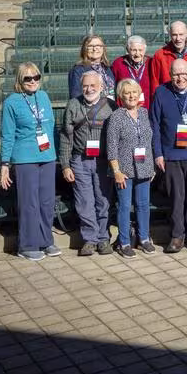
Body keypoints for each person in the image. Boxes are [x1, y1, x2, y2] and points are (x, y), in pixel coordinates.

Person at [151, 58, 187, 254]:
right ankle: (177, 236)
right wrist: (158, 154)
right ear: (170, 74)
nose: (180, 78)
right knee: (176, 198)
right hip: (171, 155)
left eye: (184, 73)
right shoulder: (161, 92)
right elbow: (155, 126)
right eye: (176, 74)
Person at [0, 62, 59, 261]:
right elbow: (7, 135)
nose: (33, 81)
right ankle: (27, 244)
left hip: (47, 156)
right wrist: (5, 165)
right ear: (19, 80)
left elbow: (50, 127)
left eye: (36, 77)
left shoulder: (43, 96)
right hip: (25, 157)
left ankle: (45, 240)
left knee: (47, 202)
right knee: (29, 203)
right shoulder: (11, 102)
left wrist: (53, 153)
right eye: (28, 78)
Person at [60, 71, 115, 257]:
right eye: (85, 86)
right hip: (79, 160)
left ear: (101, 87)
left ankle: (103, 238)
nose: (89, 89)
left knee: (103, 200)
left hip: (103, 161)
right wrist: (65, 165)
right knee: (84, 202)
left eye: (93, 85)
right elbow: (66, 136)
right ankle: (89, 240)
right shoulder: (73, 105)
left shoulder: (111, 105)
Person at [106, 78, 155, 258]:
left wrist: (151, 168)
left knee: (143, 205)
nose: (131, 96)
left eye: (134, 92)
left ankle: (143, 239)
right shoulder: (116, 117)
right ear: (120, 96)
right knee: (125, 206)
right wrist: (116, 171)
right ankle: (124, 242)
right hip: (124, 171)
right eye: (127, 93)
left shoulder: (144, 113)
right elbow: (111, 147)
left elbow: (149, 142)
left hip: (144, 168)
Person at [149, 21, 187, 98]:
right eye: (174, 35)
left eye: (181, 34)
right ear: (170, 35)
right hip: (167, 100)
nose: (178, 38)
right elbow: (154, 83)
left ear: (186, 34)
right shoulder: (160, 55)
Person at [68, 35, 116, 100]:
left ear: (103, 48)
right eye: (90, 46)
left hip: (111, 108)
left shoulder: (108, 68)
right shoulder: (78, 70)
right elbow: (75, 97)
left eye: (98, 45)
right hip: (90, 109)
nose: (95, 49)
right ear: (85, 49)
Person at [111, 35, 151, 107]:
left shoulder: (151, 63)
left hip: (147, 107)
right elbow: (113, 86)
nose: (137, 54)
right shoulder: (118, 63)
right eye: (134, 50)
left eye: (140, 50)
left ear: (145, 50)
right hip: (125, 107)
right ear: (128, 50)